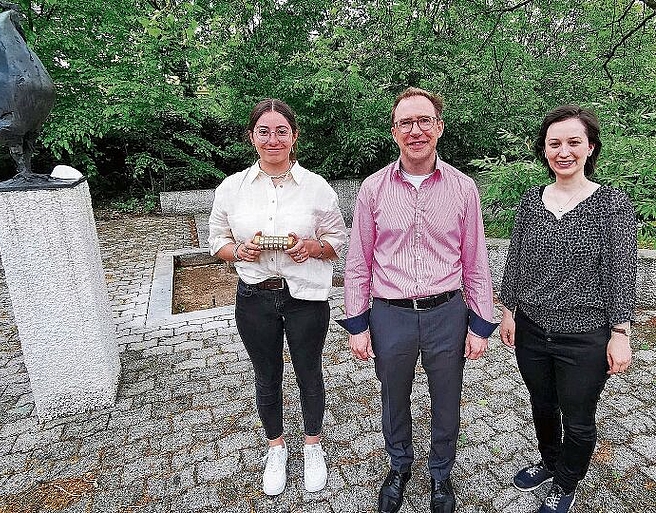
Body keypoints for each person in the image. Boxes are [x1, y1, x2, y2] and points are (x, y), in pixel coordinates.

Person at [338, 87, 497, 513]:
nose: (416, 130)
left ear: (439, 127)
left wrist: (481, 324)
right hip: (390, 315)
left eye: (424, 120)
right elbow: (358, 261)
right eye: (406, 123)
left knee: (448, 396)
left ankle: (441, 473)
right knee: (394, 395)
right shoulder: (372, 190)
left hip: (447, 312)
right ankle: (399, 465)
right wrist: (357, 323)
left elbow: (475, 260)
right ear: (394, 132)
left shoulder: (464, 189)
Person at [499, 105, 636, 513]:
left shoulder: (612, 204)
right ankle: (549, 461)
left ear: (590, 147)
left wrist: (620, 333)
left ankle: (567, 482)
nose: (564, 151)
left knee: (578, 418)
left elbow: (621, 272)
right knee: (542, 405)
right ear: (544, 151)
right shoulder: (531, 201)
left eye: (574, 142)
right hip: (533, 330)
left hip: (585, 336)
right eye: (554, 143)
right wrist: (509, 310)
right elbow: (518, 259)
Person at [208, 98, 347, 496]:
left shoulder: (317, 187)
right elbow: (216, 241)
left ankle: (313, 445)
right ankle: (275, 447)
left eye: (281, 131)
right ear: (252, 137)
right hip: (254, 297)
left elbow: (338, 240)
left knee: (309, 372)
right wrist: (240, 251)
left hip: (305, 297)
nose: (273, 139)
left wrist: (311, 247)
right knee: (267, 376)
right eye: (264, 131)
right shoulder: (231, 189)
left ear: (294, 136)